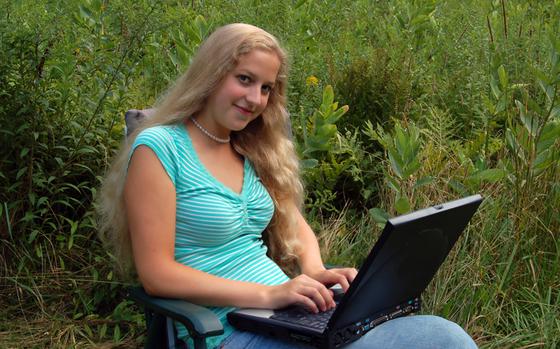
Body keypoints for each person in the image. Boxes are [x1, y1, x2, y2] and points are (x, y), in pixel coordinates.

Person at [98, 23, 478, 349]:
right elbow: (157, 273)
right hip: (225, 330)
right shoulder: (161, 148)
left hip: (285, 317)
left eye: (265, 88)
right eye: (244, 79)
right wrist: (269, 294)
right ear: (212, 73)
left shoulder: (250, 147)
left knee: (445, 337)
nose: (254, 99)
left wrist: (312, 268)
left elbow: (292, 221)